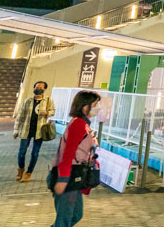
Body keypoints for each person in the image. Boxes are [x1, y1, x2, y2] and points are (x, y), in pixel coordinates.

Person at [51, 90, 100, 227]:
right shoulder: (78, 124)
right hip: (68, 177)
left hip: (75, 175)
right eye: (95, 104)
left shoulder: (84, 124)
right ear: (86, 106)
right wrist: (63, 180)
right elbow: (67, 153)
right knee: (65, 219)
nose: (98, 108)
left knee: (76, 215)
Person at [13, 80, 54, 182]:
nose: (38, 89)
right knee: (21, 152)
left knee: (35, 153)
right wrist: (16, 130)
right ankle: (20, 170)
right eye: (36, 87)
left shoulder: (48, 101)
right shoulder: (28, 101)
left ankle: (29, 172)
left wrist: (47, 113)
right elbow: (20, 116)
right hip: (26, 130)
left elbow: (53, 111)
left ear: (44, 89)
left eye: (40, 88)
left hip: (39, 132)